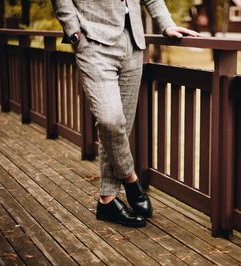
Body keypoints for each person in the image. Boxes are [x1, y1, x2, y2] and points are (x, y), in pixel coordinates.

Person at [51, 0, 199, 227]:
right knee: (110, 120)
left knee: (121, 127)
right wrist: (74, 32)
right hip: (93, 42)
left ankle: (107, 200)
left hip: (134, 43)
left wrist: (166, 25)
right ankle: (131, 181)